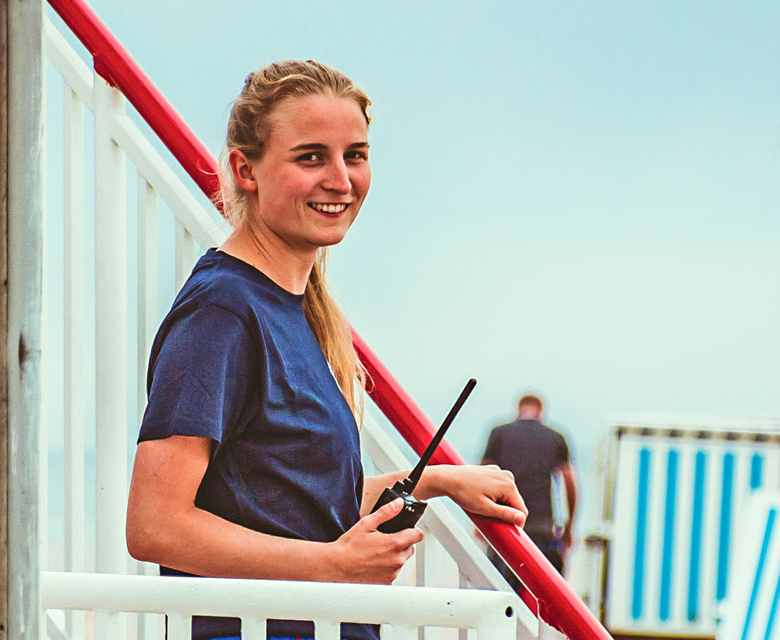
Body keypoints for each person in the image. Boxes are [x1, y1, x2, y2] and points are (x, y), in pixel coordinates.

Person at [125, 60, 528, 640]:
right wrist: (333, 567)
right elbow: (155, 524)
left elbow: (291, 501)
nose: (340, 179)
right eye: (310, 157)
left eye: (355, 155)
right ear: (246, 170)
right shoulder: (221, 312)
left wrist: (437, 481)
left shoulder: (296, 307)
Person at [479, 394, 578, 572]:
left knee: (501, 585)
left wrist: (479, 519)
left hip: (505, 520)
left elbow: (483, 475)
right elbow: (569, 482)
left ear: (518, 410)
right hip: (542, 526)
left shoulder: (499, 434)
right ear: (541, 412)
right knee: (540, 584)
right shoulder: (555, 437)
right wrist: (569, 527)